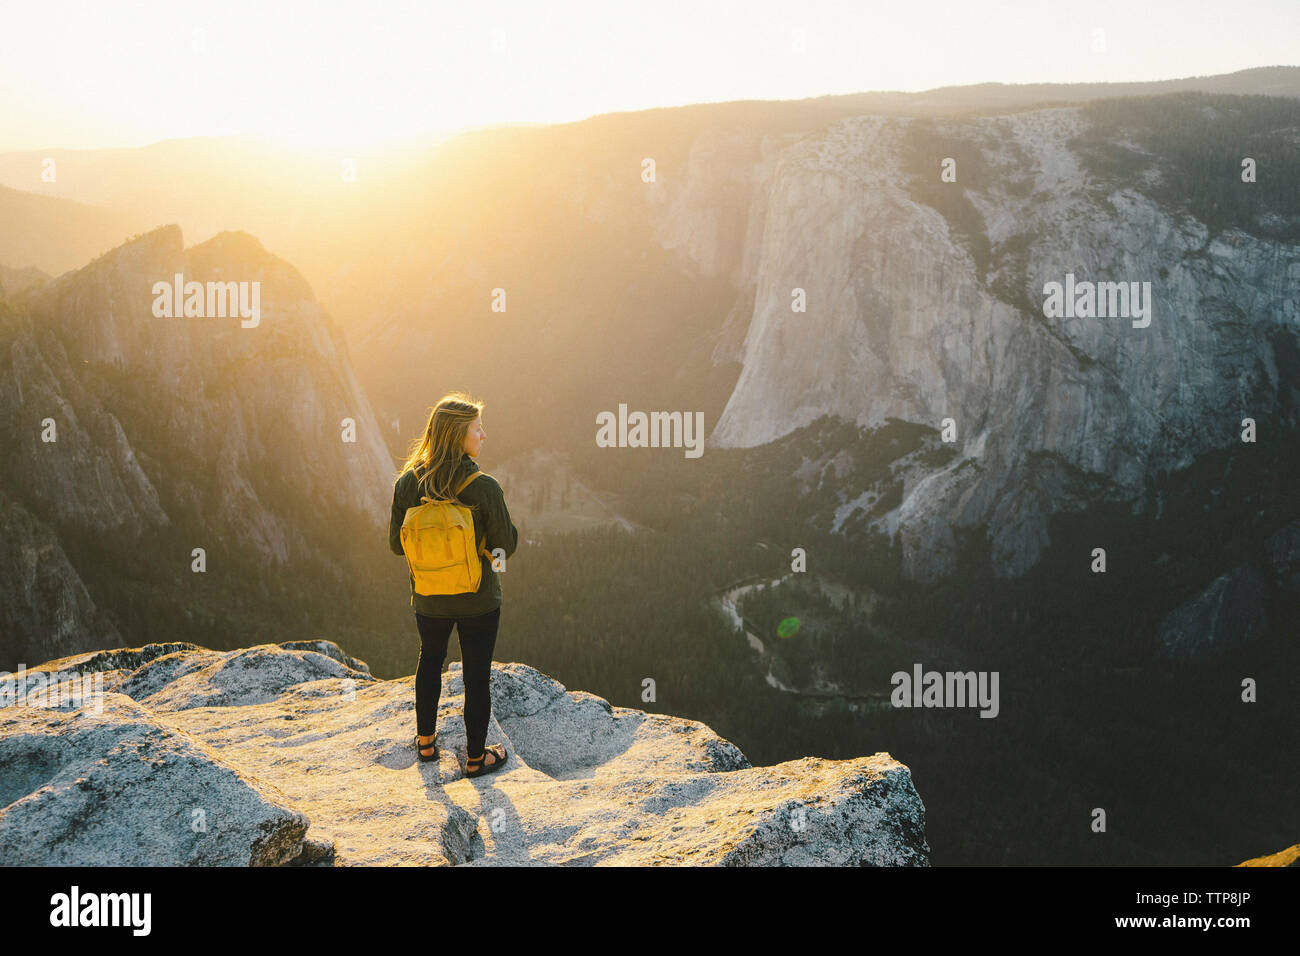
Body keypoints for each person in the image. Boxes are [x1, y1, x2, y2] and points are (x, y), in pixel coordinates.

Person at [389, 392, 519, 778]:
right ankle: (477, 760)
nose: (484, 435)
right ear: (458, 437)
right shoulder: (484, 487)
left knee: (430, 661)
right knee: (476, 675)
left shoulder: (408, 483)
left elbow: (397, 546)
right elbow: (504, 547)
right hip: (479, 599)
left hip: (429, 598)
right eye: (477, 429)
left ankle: (426, 745)